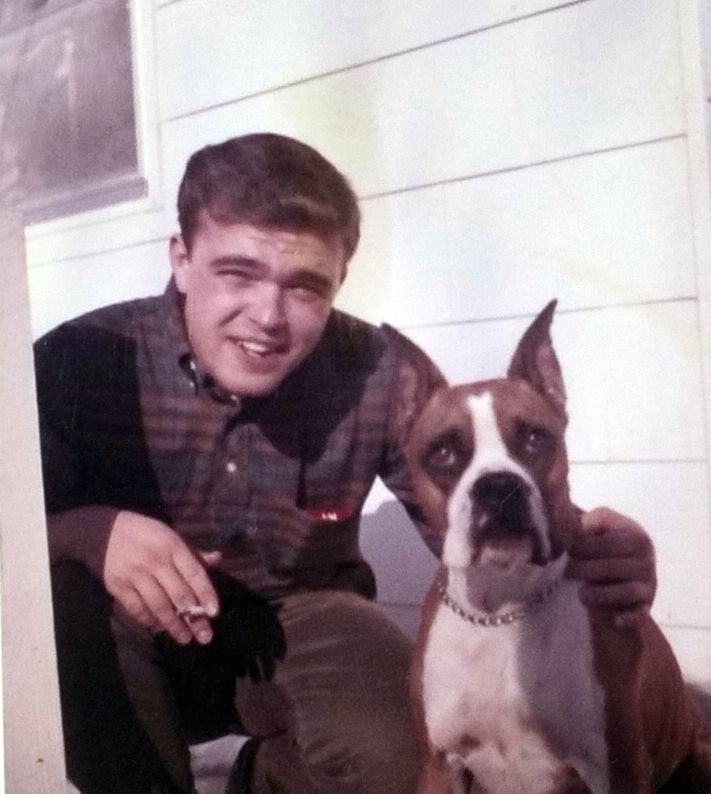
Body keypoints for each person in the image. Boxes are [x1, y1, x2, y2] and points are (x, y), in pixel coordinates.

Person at [35, 133, 658, 794]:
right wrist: (84, 532)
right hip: (134, 637)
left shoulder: (376, 374)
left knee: (401, 754)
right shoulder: (78, 361)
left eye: (305, 286)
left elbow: (465, 516)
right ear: (182, 260)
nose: (268, 316)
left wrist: (597, 544)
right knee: (61, 609)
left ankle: (267, 780)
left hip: (305, 619)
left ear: (340, 282)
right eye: (238, 273)